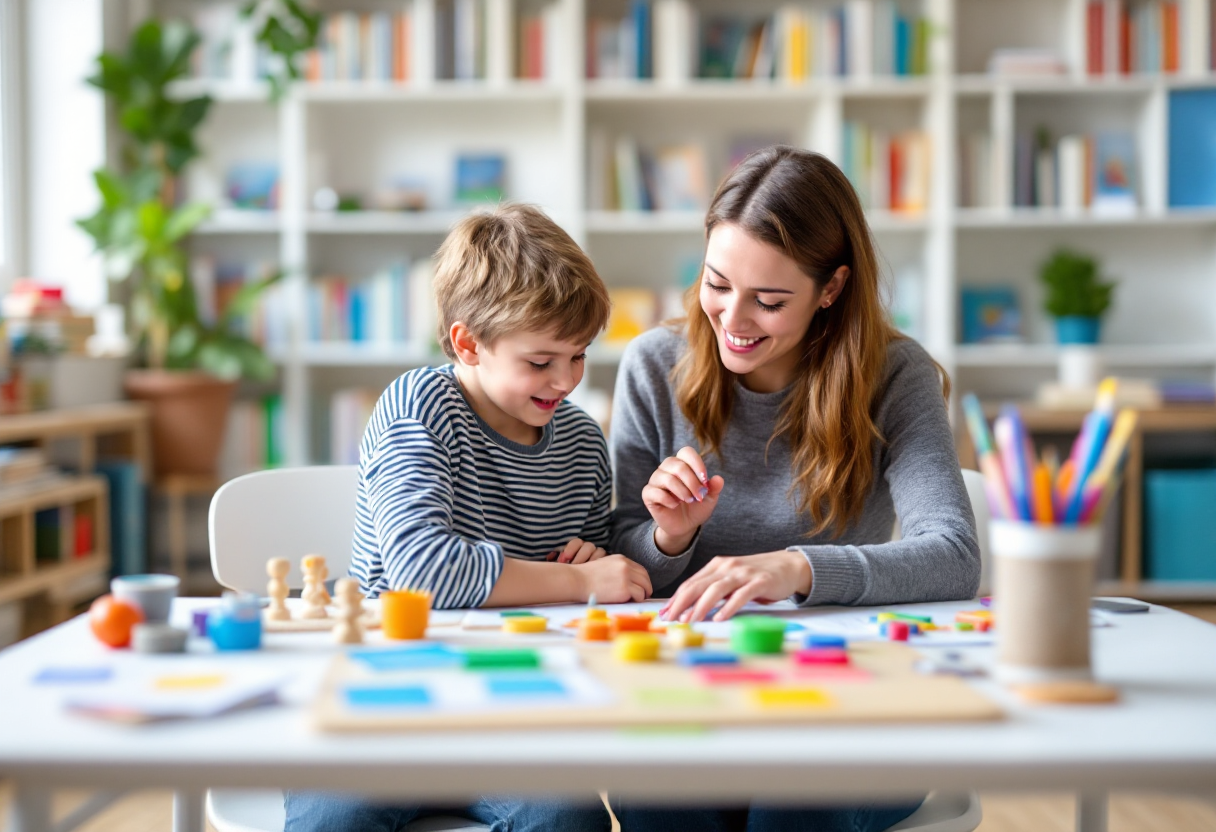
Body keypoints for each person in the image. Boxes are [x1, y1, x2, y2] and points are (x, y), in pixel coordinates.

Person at [609, 146, 980, 831]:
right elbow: (620, 556)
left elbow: (954, 553)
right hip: (696, 692)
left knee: (792, 804)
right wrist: (669, 535)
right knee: (657, 798)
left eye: (769, 300)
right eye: (716, 284)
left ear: (831, 289)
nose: (734, 319)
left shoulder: (896, 377)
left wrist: (798, 569)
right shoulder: (653, 364)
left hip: (849, 699)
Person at [287, 204, 639, 832]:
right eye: (540, 362)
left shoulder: (583, 444)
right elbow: (424, 573)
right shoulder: (419, 406)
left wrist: (609, 567)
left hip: (520, 715)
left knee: (568, 819)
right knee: (328, 822)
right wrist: (578, 582)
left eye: (579, 356)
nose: (565, 381)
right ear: (467, 343)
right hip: (385, 707)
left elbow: (612, 581)